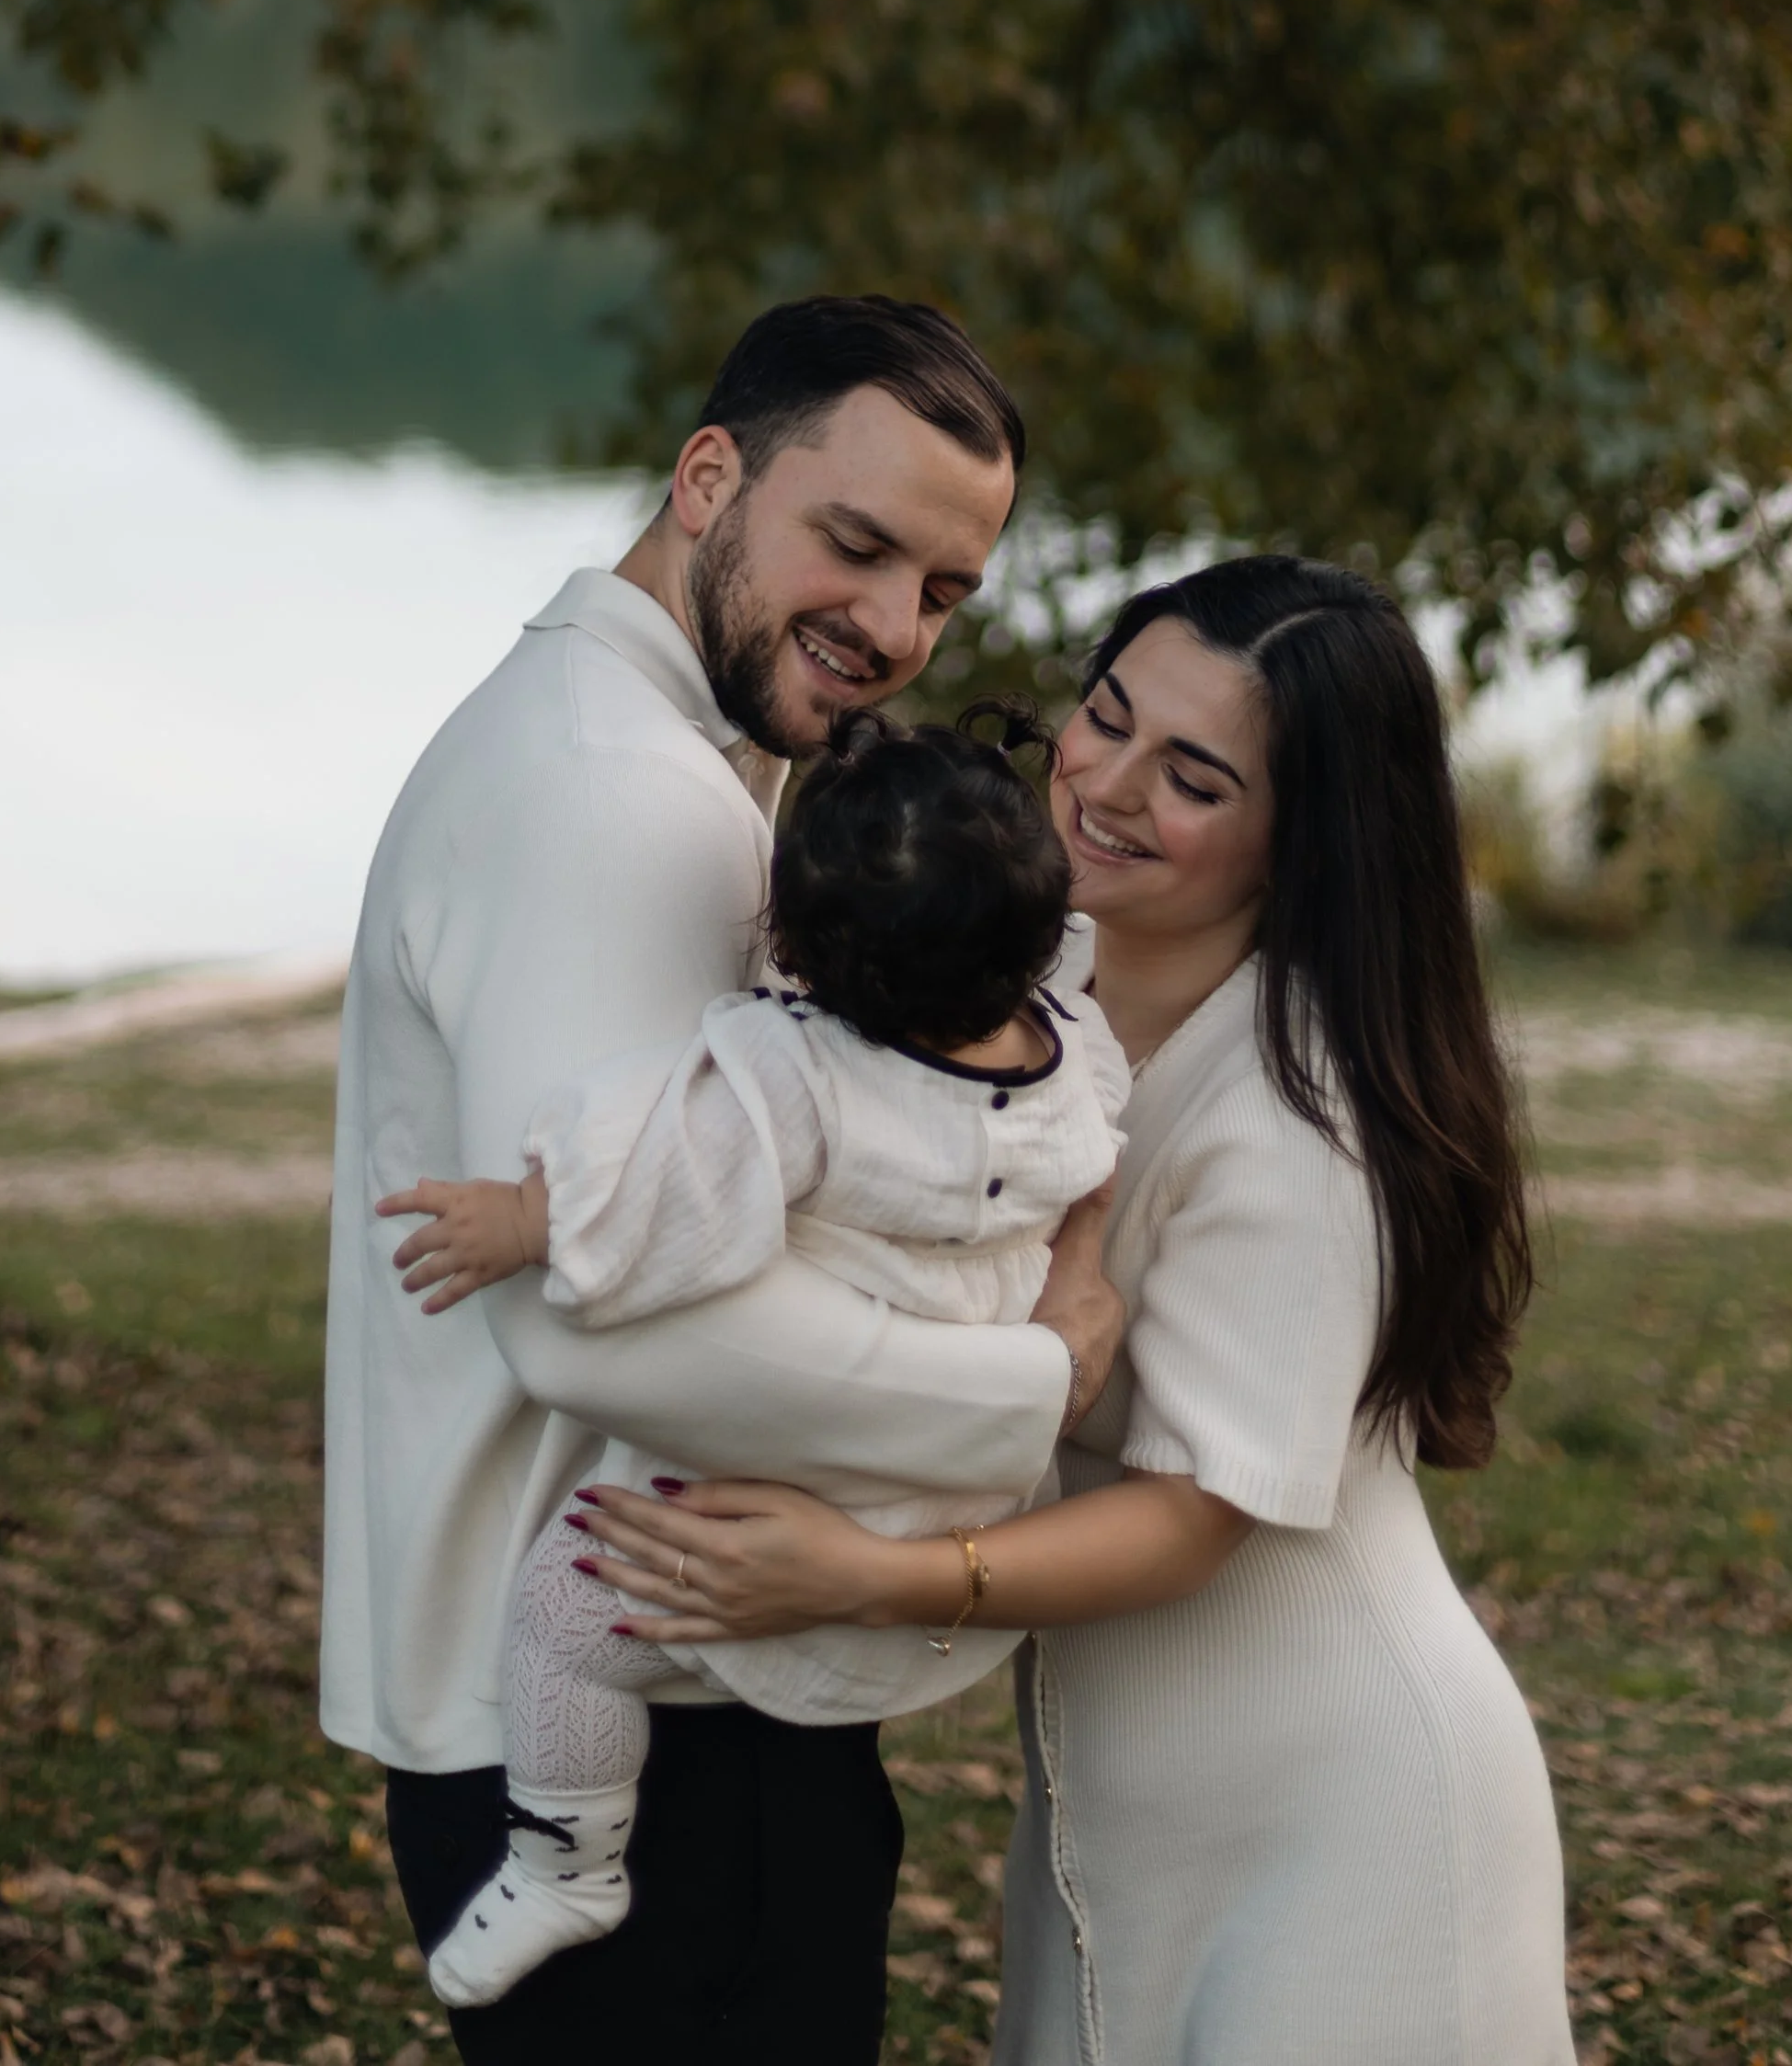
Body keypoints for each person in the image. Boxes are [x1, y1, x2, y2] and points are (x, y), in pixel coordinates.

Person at [577, 554, 1579, 2066]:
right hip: (1120, 1797)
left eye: (1190, 775)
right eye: (1103, 714)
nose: (1101, 782)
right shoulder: (1020, 972)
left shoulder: (1302, 1117)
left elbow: (1196, 1512)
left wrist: (861, 1572)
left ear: (1299, 838)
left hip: (1348, 1812)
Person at [318, 294, 1124, 2066]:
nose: (896, 627)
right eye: (855, 544)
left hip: (646, 1681)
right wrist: (1033, 1381)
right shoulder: (628, 799)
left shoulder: (620, 745)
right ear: (708, 477)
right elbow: (596, 1320)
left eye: (945, 591)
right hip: (643, 1718)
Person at [380, 708, 1128, 2009]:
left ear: (796, 947)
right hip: (954, 1497)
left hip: (791, 1480)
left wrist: (526, 1215)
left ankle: (568, 1856)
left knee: (562, 1614)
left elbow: (662, 1192)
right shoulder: (1074, 1059)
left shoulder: (799, 1081)